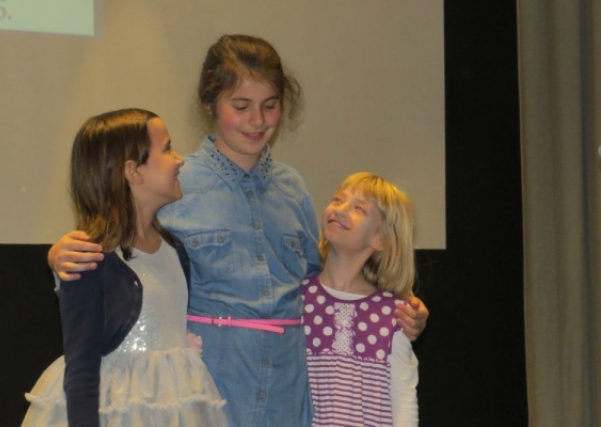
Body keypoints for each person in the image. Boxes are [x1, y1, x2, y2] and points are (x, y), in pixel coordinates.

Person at [47, 35, 429, 427]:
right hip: (209, 387)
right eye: (241, 106)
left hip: (286, 391)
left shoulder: (292, 189)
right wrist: (61, 252)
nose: (257, 120)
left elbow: (324, 283)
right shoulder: (177, 184)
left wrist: (397, 307)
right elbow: (131, 247)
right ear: (210, 104)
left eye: (270, 105)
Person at [22, 109, 229, 427]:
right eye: (167, 149)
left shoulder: (175, 251)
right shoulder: (89, 258)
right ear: (133, 171)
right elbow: (81, 365)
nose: (179, 159)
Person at [302, 172, 418, 427]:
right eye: (338, 199)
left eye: (359, 209)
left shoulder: (394, 314)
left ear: (380, 238)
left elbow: (404, 399)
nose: (340, 209)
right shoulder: (295, 298)